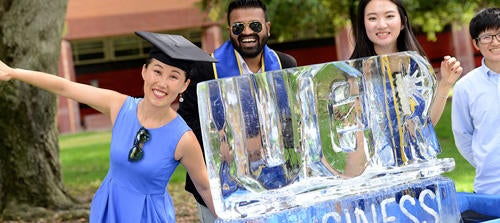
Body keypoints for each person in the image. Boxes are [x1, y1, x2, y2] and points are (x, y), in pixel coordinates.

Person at [0, 31, 217, 222]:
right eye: (157, 71)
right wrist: (13, 73)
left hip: (148, 215)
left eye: (174, 76)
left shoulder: (183, 138)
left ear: (184, 85)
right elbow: (65, 87)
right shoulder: (120, 106)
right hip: (109, 207)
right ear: (144, 71)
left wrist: (229, 218)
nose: (162, 83)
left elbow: (205, 186)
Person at [177, 0, 297, 222]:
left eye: (255, 25)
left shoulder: (286, 65)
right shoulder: (206, 68)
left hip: (276, 185)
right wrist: (226, 144)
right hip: (219, 189)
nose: (247, 32)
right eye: (239, 27)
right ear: (229, 31)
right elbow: (186, 123)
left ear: (267, 27)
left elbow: (294, 120)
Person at [345, 0, 464, 175]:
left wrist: (445, 84)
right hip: (379, 176)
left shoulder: (415, 66)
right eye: (372, 18)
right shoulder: (355, 75)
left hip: (419, 170)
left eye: (389, 16)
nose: (381, 24)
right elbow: (357, 142)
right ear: (363, 25)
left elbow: (422, 125)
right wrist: (350, 185)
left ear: (402, 22)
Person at [452, 7, 500, 195]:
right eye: (487, 37)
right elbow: (462, 136)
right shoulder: (465, 87)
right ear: (475, 43)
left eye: (499, 34)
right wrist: (485, 160)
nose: (494, 42)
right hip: (490, 189)